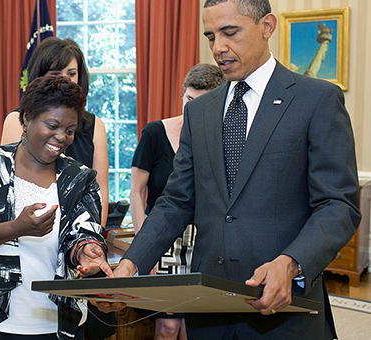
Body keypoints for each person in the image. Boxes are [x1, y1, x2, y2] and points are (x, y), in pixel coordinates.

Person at [96, 1, 361, 339]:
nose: (218, 47)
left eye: (230, 32)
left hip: (284, 310)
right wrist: (130, 266)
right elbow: (176, 201)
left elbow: (338, 205)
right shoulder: (200, 112)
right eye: (210, 36)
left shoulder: (316, 100)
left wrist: (290, 262)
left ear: (267, 26)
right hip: (208, 312)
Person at [0, 75, 112, 340]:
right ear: (26, 118)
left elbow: (84, 235)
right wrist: (16, 228)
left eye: (70, 130)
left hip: (60, 323)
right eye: (53, 125)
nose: (61, 137)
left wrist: (87, 252)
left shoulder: (80, 177)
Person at [130, 63, 226, 340]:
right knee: (168, 325)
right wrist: (144, 245)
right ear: (182, 95)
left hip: (205, 240)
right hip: (164, 236)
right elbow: (136, 192)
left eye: (202, 102)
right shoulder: (154, 133)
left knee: (195, 326)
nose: (192, 109)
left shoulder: (224, 140)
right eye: (189, 100)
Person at [0, 37, 109, 228]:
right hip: (27, 228)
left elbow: (101, 192)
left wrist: (93, 236)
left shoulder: (95, 125)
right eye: (56, 72)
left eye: (71, 73)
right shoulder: (16, 120)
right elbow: (8, 187)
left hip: (79, 233)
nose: (65, 79)